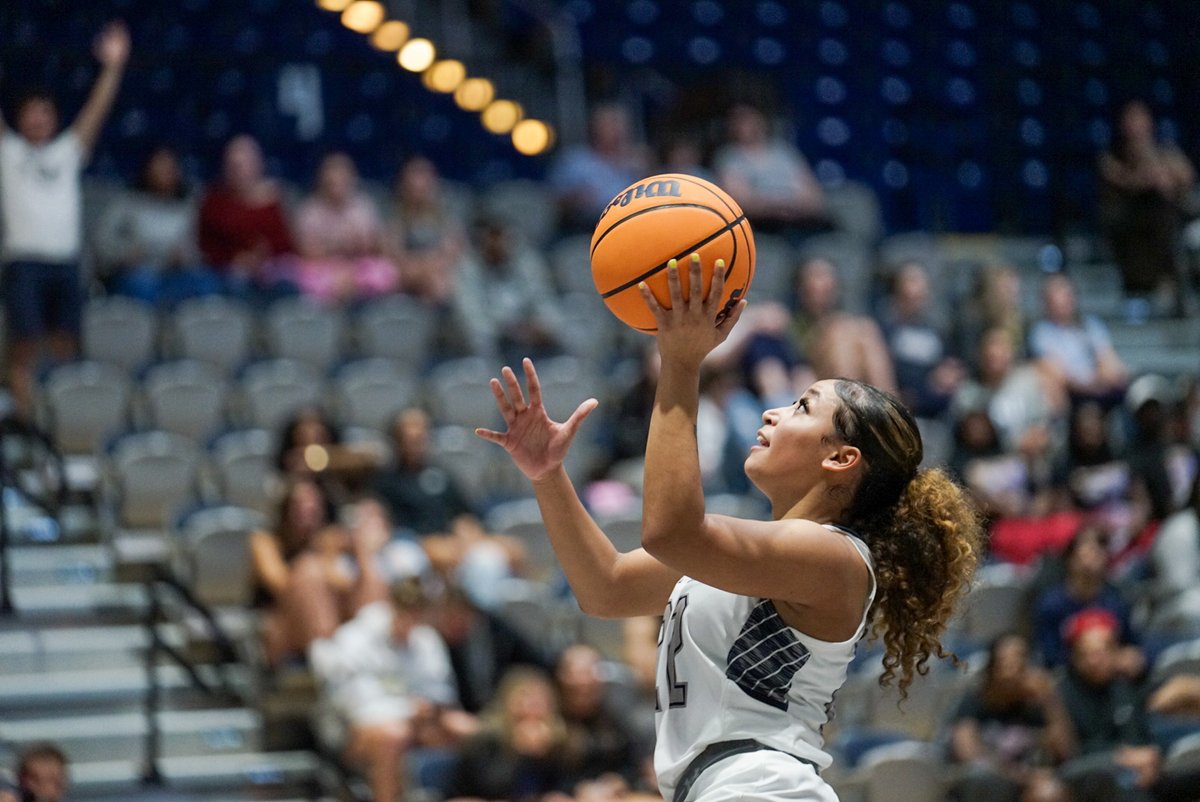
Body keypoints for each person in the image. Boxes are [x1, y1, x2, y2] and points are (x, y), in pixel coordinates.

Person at [476, 254, 983, 801]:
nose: (772, 413)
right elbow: (606, 587)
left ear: (840, 459)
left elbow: (670, 531)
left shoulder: (836, 557)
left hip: (763, 788)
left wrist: (680, 363)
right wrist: (548, 475)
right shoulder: (753, 555)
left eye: (801, 407)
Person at [0, 21, 129, 418]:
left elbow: (97, 110)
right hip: (24, 263)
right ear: (19, 119)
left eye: (45, 113)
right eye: (30, 114)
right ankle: (25, 423)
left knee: (65, 348)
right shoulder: (8, 152)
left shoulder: (67, 152)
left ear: (55, 118)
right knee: (24, 347)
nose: (38, 120)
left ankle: (61, 421)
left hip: (65, 264)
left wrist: (113, 67)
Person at [309, 576, 479, 802]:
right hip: (353, 733)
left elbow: (442, 690)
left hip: (419, 722)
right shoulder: (355, 638)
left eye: (418, 610)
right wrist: (407, 711)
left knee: (470, 730)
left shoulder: (426, 638)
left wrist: (429, 708)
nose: (412, 616)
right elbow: (353, 704)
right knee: (394, 735)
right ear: (392, 605)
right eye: (407, 608)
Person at [948, 633, 1073, 802]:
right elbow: (968, 754)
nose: (1011, 670)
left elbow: (1066, 752)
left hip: (1032, 785)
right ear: (991, 669)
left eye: (1019, 662)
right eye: (1004, 662)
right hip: (996, 785)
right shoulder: (973, 702)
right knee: (982, 778)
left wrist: (1049, 700)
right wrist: (1021, 777)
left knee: (1049, 792)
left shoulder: (1038, 703)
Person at [1098, 100, 1197, 311]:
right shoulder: (1112, 156)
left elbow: (1186, 175)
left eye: (1140, 119)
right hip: (1132, 223)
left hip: (1168, 220)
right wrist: (1150, 176)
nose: (1136, 126)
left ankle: (1176, 284)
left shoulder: (1165, 150)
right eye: (1131, 120)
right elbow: (1121, 179)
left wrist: (1164, 175)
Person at [94, 145, 220, 308]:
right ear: (147, 169)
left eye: (169, 168)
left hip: (175, 276)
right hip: (136, 275)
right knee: (141, 285)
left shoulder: (189, 207)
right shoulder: (127, 202)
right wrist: (124, 255)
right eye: (159, 167)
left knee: (205, 283)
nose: (164, 173)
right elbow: (102, 241)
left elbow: (199, 249)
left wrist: (185, 257)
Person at [197, 134, 297, 304]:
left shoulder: (276, 200)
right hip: (226, 272)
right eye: (233, 166)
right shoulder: (213, 201)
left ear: (258, 165)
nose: (239, 172)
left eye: (243, 165)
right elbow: (206, 247)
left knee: (289, 286)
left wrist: (263, 258)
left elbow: (287, 245)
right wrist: (235, 261)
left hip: (271, 270)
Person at [453, 213, 565, 364]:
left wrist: (543, 326)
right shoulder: (467, 270)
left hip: (532, 339)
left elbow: (545, 302)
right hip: (495, 346)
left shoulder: (526, 263)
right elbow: (473, 321)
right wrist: (511, 331)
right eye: (491, 238)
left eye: (501, 237)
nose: (497, 244)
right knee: (482, 346)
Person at [293, 151, 399, 305]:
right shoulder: (310, 209)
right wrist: (338, 247)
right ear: (322, 179)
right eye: (332, 176)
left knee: (385, 273)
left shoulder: (363, 206)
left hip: (358, 266)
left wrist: (360, 246)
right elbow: (306, 251)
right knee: (305, 278)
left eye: (342, 175)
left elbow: (376, 244)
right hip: (323, 268)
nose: (337, 179)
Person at [713, 103, 829, 238]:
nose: (746, 126)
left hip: (802, 222)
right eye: (740, 121)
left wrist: (788, 206)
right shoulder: (729, 157)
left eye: (751, 120)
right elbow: (741, 201)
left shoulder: (784, 152)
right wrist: (779, 206)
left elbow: (813, 197)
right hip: (762, 228)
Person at [1028, 274, 1128, 409]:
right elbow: (1056, 373)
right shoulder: (1040, 332)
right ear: (1046, 302)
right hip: (1071, 393)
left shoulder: (1091, 325)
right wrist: (1088, 387)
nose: (1061, 303)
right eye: (1055, 298)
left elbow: (1107, 357)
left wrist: (1105, 379)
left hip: (1099, 386)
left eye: (1065, 296)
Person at [549, 103, 648, 233]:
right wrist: (577, 198)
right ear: (595, 128)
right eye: (611, 124)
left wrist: (647, 169)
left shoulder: (637, 160)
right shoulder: (575, 160)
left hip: (630, 224)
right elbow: (553, 203)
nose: (618, 130)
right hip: (584, 228)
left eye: (621, 124)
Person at [387, 155, 468, 308]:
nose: (419, 184)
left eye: (424, 177)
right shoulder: (394, 216)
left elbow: (452, 252)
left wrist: (429, 269)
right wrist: (419, 271)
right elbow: (393, 254)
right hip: (408, 275)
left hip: (439, 274)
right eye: (414, 177)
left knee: (443, 284)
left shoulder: (446, 215)